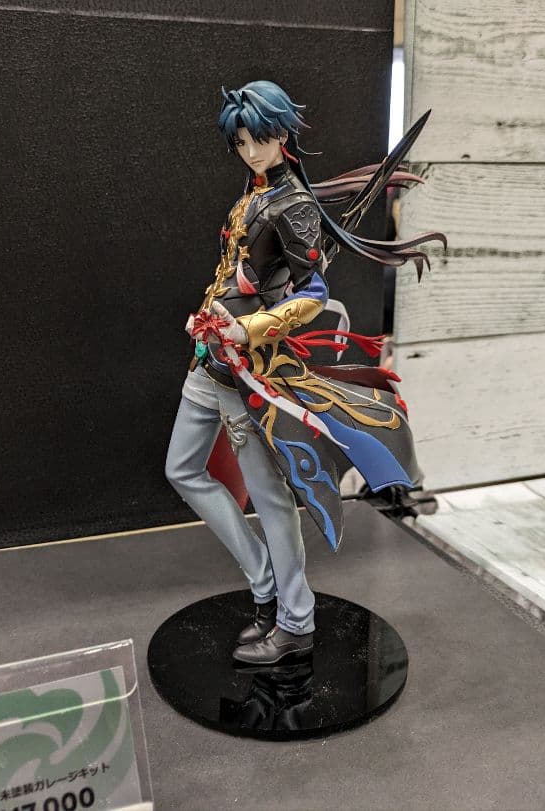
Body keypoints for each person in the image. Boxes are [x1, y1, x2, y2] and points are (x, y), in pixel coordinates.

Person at [165, 81, 443, 665]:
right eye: (241, 142)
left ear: (282, 134)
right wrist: (213, 319)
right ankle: (264, 581)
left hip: (248, 368)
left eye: (259, 140)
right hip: (209, 358)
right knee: (182, 469)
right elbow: (237, 271)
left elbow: (313, 294)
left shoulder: (293, 205)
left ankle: (295, 620)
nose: (250, 152)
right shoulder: (255, 193)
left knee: (269, 496)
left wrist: (248, 329)